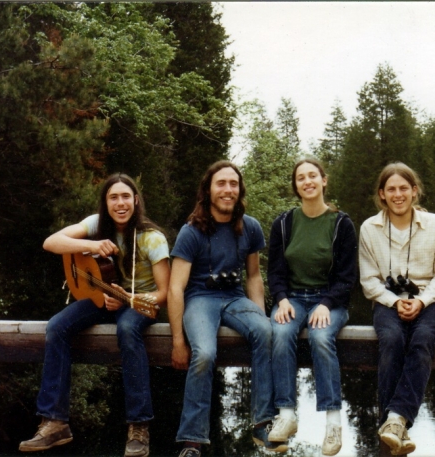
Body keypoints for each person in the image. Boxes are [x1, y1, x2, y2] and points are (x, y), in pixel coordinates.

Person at [19, 173, 171, 457]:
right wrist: (90, 246)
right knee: (57, 327)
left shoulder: (153, 238)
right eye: (113, 197)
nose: (120, 203)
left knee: (127, 330)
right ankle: (54, 422)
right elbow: (51, 242)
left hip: (139, 304)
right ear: (105, 203)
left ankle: (139, 426)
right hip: (100, 297)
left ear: (136, 201)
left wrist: (131, 300)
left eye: (126, 196)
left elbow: (164, 292)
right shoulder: (95, 225)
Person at [167, 160, 283, 457]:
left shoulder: (250, 227)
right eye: (221, 184)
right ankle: (192, 440)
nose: (228, 190)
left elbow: (254, 276)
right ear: (208, 190)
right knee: (204, 353)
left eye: (233, 184)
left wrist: (259, 315)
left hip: (234, 298)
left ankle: (262, 423)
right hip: (199, 299)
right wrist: (178, 341)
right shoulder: (191, 231)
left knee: (265, 331)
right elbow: (175, 288)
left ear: (240, 190)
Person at [358, 162, 435, 456]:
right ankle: (397, 426)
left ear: (414, 191)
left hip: (430, 300)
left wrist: (421, 301)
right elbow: (368, 280)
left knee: (423, 339)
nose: (398, 195)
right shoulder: (369, 228)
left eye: (403, 188)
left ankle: (394, 420)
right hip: (387, 301)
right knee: (393, 339)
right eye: (391, 189)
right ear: (382, 195)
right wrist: (396, 301)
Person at [267, 158, 357, 456]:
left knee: (320, 337)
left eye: (312, 176)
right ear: (296, 185)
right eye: (301, 178)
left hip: (329, 300)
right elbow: (276, 271)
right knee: (280, 333)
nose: (307, 182)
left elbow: (347, 277)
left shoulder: (341, 224)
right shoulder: (284, 223)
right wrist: (280, 299)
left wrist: (327, 304)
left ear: (324, 180)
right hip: (292, 298)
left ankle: (332, 422)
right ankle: (286, 414)